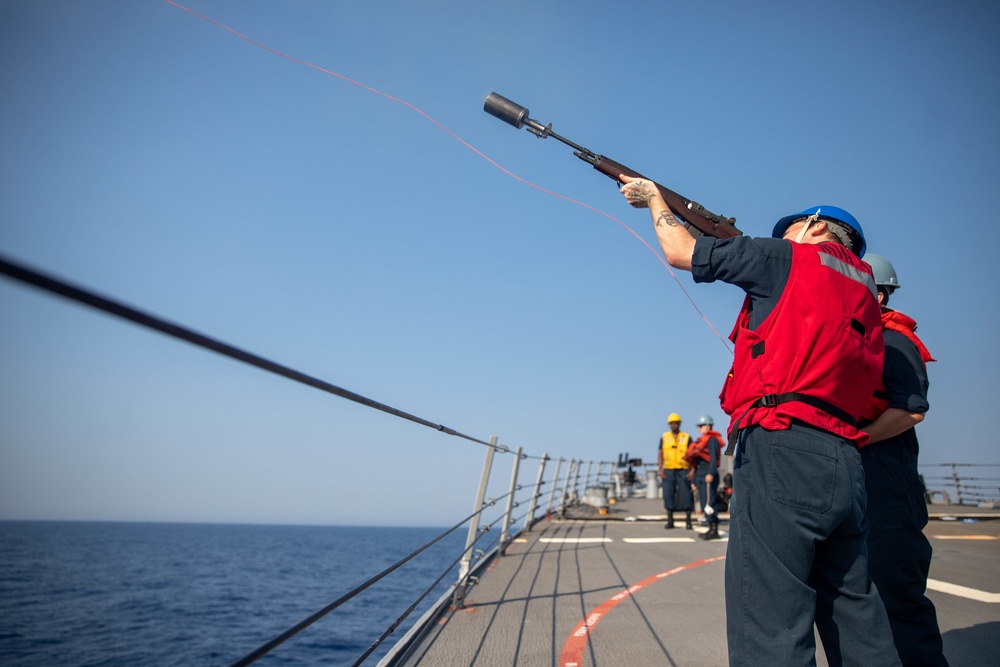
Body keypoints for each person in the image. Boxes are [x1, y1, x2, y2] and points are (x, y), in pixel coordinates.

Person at [620, 176, 899, 666]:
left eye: (788, 230)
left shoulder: (788, 257)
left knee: (768, 619)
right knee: (855, 615)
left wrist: (653, 202)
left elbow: (680, 251)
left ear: (812, 226)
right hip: (844, 458)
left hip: (780, 445)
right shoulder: (866, 296)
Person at [859, 254, 947, 666]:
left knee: (898, 604)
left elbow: (911, 409)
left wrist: (857, 438)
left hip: (888, 488)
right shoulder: (861, 339)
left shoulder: (893, 341)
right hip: (863, 485)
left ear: (877, 293)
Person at [684, 414, 724, 540]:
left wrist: (711, 473)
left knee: (710, 501)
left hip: (707, 472)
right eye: (698, 426)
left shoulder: (712, 440)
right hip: (700, 473)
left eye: (701, 426)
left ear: (708, 425)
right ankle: (710, 527)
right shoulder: (701, 441)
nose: (699, 428)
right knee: (703, 500)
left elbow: (713, 458)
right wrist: (695, 479)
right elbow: (696, 463)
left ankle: (714, 528)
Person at [658, 412, 693, 529]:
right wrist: (660, 470)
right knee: (668, 494)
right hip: (668, 469)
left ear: (679, 424)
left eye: (676, 423)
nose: (674, 425)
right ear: (669, 424)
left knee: (686, 494)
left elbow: (693, 454)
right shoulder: (664, 437)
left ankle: (688, 520)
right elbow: (660, 453)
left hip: (683, 469)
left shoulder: (686, 437)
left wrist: (692, 470)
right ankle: (670, 520)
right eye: (672, 423)